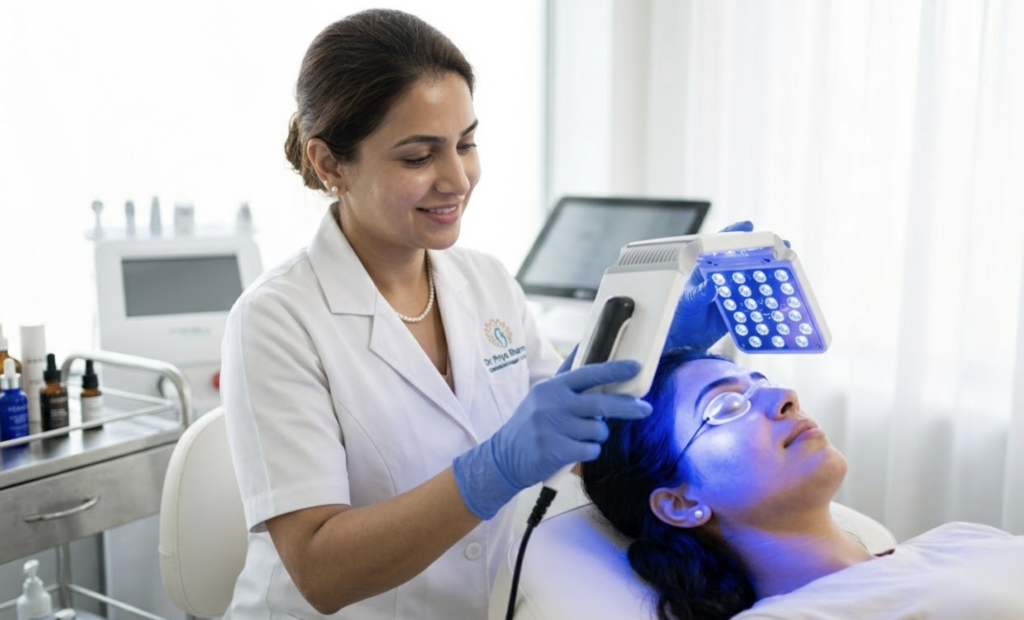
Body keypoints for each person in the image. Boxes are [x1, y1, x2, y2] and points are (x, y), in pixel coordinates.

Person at [219, 9, 743, 619]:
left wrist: (655, 344)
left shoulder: (485, 280)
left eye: (465, 143)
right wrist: (491, 470)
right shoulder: (277, 320)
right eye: (418, 157)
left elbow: (565, 434)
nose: (456, 179)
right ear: (331, 164)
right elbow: (320, 572)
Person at [581, 348, 1024, 620]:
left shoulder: (957, 539)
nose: (784, 396)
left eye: (763, 384)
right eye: (728, 405)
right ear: (679, 503)